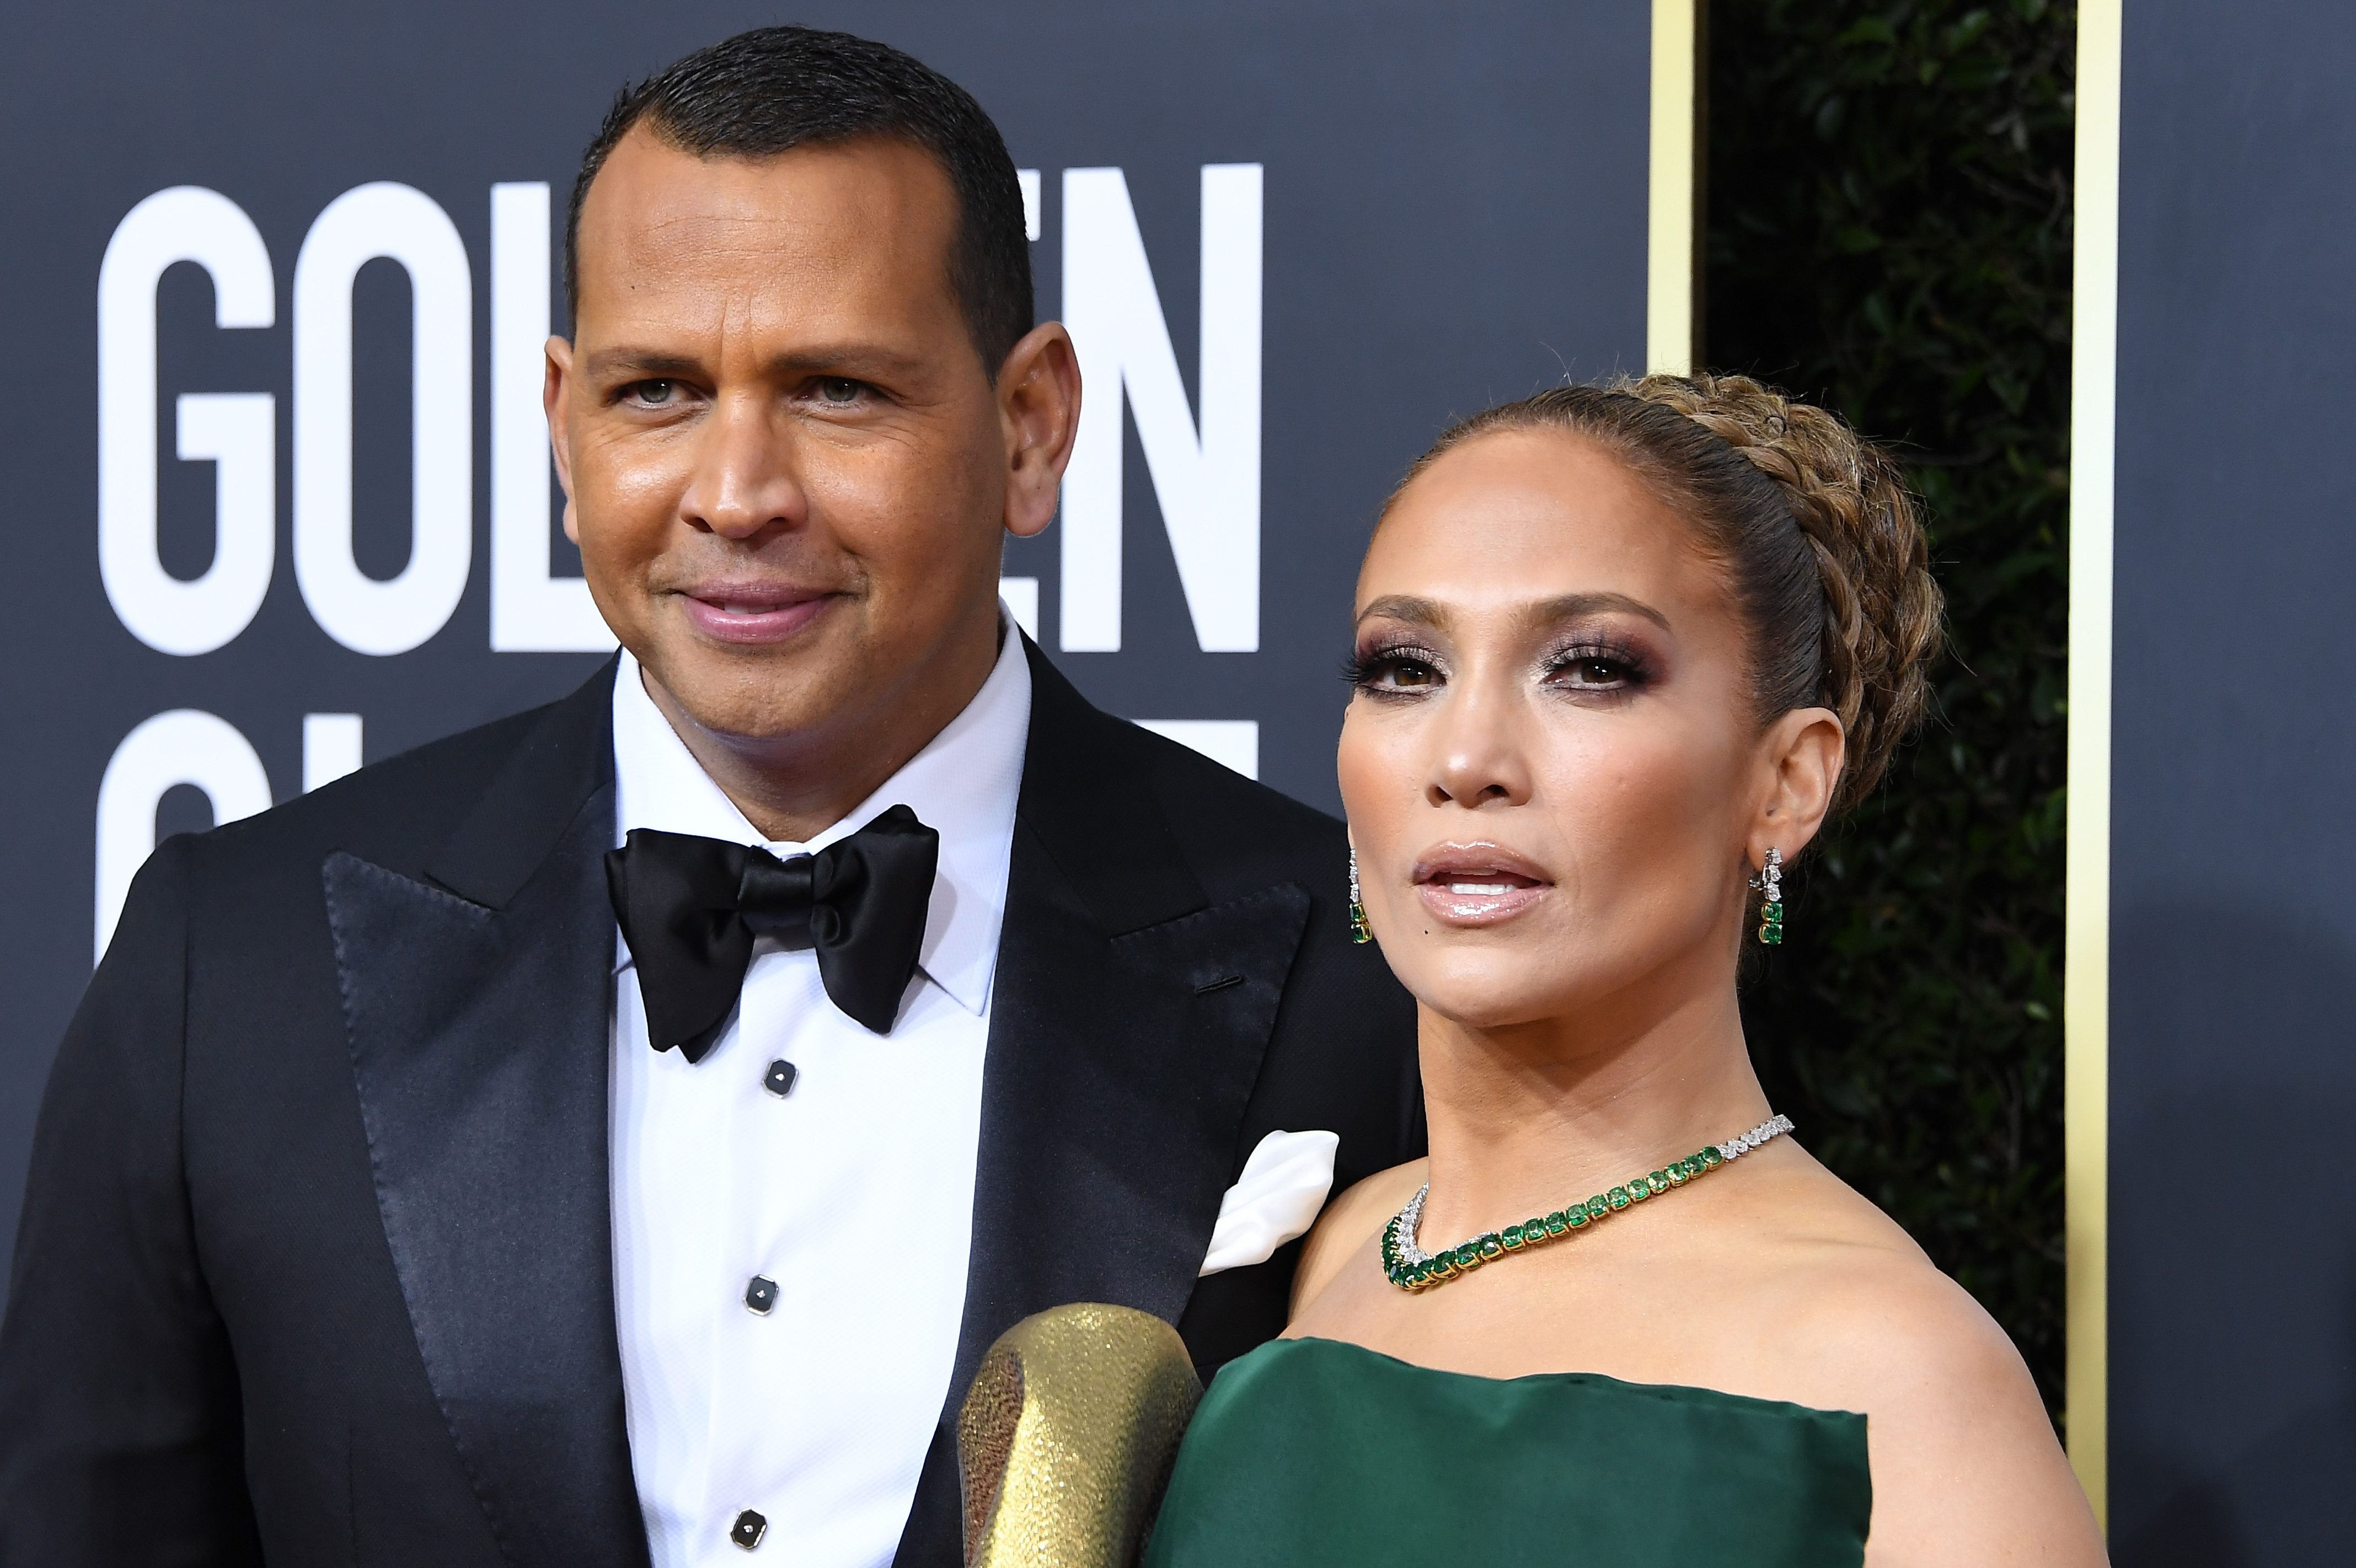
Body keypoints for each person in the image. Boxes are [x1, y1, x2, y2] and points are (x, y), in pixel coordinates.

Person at [0, 27, 1420, 1568]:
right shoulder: (233, 965)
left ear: (1031, 426)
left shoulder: (1362, 976)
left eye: (836, 390)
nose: (738, 491)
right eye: (658, 390)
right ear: (563, 423)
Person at [1140, 377, 2108, 1566]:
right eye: (1404, 669)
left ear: (1786, 783)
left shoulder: (1893, 1375)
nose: (1466, 757)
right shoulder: (1326, 1251)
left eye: (1590, 668)